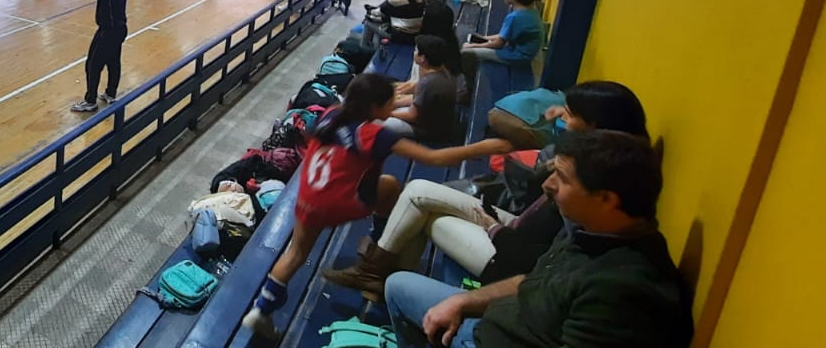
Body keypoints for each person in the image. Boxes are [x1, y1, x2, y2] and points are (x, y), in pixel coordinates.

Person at [240, 74, 513, 340]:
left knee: (296, 254)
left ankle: (261, 310)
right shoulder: (373, 133)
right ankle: (378, 251)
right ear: (374, 107)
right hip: (339, 204)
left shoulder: (332, 114)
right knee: (392, 186)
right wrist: (483, 147)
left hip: (308, 197)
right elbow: (435, 157)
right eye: (390, 102)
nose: (393, 106)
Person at [324, 81, 648, 296]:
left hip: (514, 253)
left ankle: (380, 276)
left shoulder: (597, 181)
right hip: (518, 228)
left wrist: (494, 229)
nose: (563, 116)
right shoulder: (606, 159)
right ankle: (380, 275)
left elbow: (551, 253)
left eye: (572, 114)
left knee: (426, 210)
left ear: (594, 124)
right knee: (418, 190)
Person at [384, 130, 689, 348]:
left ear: (606, 199)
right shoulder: (592, 232)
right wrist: (463, 301)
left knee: (399, 289)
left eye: (563, 178)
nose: (548, 185)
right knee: (398, 283)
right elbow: (529, 280)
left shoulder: (621, 289)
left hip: (485, 338)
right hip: (496, 322)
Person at [462, 0, 544, 108]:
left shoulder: (515, 17)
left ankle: (469, 90)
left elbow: (499, 43)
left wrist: (473, 45)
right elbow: (503, 36)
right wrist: (484, 38)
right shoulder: (530, 12)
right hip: (524, 53)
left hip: (516, 56)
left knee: (465, 54)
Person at [72, 0, 129, 112]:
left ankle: (90, 101)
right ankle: (110, 93)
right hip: (119, 29)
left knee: (93, 65)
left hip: (108, 32)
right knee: (113, 62)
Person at [386, 35, 460, 143]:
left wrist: (386, 113)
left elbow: (412, 116)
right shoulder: (445, 72)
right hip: (437, 123)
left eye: (416, 50)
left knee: (377, 121)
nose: (414, 52)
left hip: (427, 131)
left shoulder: (427, 83)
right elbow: (418, 100)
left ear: (423, 58)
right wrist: (394, 104)